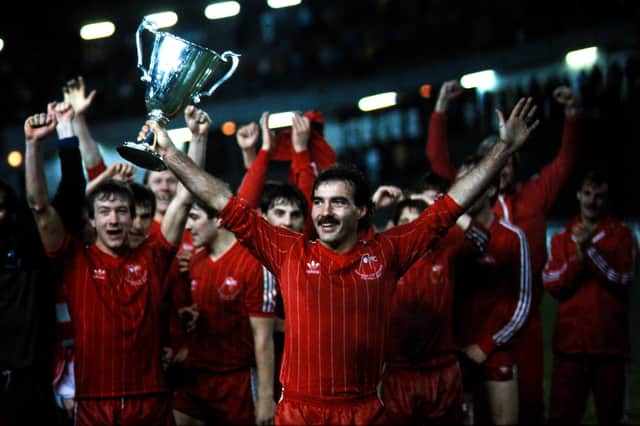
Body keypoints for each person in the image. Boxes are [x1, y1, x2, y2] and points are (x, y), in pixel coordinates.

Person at [149, 97, 539, 425]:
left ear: (362, 211)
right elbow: (220, 199)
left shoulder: (387, 252)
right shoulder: (289, 251)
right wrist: (169, 155)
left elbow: (451, 207)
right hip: (299, 413)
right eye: (318, 202)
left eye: (338, 202)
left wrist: (503, 149)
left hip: (362, 412)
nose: (325, 212)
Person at [25, 106, 193, 425]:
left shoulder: (153, 255)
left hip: (152, 401)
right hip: (94, 405)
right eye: (104, 212)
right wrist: (32, 144)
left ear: (133, 218)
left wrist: (192, 141)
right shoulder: (74, 259)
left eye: (120, 211)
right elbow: (39, 206)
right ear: (91, 220)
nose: (113, 219)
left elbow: (184, 200)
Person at [426, 80, 580, 423]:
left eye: (510, 160)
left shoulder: (534, 196)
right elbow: (438, 163)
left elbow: (565, 163)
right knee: (472, 406)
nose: (504, 167)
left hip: (523, 318)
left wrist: (571, 114)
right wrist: (439, 110)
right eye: (497, 162)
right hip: (470, 318)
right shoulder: (471, 202)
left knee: (527, 403)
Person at [374, 177, 489, 425]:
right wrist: (373, 205)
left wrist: (441, 205)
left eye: (418, 221)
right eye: (404, 221)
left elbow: (481, 237)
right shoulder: (383, 261)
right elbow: (350, 242)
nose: (411, 228)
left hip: (442, 371)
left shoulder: (446, 253)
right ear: (392, 226)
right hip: (399, 372)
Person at [543, 171, 637, 425]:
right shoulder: (562, 238)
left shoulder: (623, 236)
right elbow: (553, 283)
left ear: (607, 200)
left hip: (610, 350)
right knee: (562, 418)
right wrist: (579, 257)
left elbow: (622, 278)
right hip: (570, 349)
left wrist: (589, 251)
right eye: (587, 193)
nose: (592, 201)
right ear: (578, 195)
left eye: (599, 196)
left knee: (612, 418)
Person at [172, 201, 277, 426]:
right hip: (196, 377)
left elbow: (263, 337)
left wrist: (266, 397)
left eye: (194, 217)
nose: (188, 227)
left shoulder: (253, 262)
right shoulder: (196, 262)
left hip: (236, 381)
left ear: (219, 220)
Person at [453, 154, 532, 426]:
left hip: (496, 350)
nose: (467, 191)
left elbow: (522, 303)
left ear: (491, 189)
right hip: (455, 353)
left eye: (475, 184)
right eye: (462, 184)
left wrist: (485, 345)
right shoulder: (447, 238)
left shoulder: (512, 237)